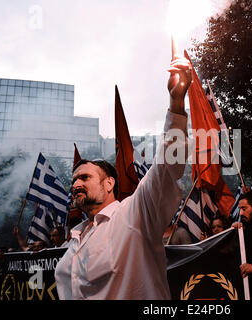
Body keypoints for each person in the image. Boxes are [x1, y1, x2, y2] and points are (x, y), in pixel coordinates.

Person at [54, 53, 192, 300]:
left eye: (84, 177)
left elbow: (168, 167)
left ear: (110, 183)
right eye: (74, 180)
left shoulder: (135, 215)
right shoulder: (72, 242)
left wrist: (177, 103)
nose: (75, 184)